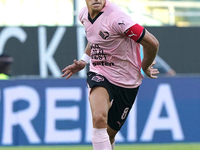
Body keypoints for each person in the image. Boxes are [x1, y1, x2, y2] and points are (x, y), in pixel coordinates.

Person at [62, 0, 159, 149]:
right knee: (99, 118)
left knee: (109, 135)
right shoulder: (83, 15)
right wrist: (84, 60)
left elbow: (152, 43)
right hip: (100, 72)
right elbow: (95, 39)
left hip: (127, 81)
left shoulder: (118, 19)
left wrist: (144, 67)